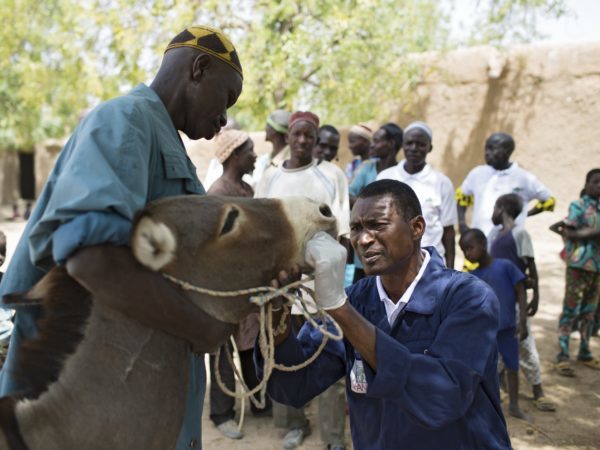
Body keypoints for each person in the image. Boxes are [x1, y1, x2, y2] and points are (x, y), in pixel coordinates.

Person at [0, 25, 244, 450]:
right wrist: (200, 329)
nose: (224, 120)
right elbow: (93, 258)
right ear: (199, 68)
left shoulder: (163, 140)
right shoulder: (126, 120)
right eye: (226, 100)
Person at [258, 180, 512, 449]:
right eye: (356, 228)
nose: (364, 239)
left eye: (377, 225)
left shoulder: (468, 297)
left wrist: (340, 309)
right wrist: (277, 311)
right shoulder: (356, 299)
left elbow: (441, 398)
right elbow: (294, 384)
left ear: (416, 228)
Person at [255, 111, 350, 450]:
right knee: (284, 355)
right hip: (283, 286)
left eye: (310, 135)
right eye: (298, 134)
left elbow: (344, 233)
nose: (303, 141)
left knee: (329, 354)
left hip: (322, 287)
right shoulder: (269, 178)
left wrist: (341, 281)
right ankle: (294, 425)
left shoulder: (331, 175)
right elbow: (261, 229)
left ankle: (333, 435)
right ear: (289, 136)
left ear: (315, 138)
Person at [206, 129, 270, 439]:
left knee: (250, 341)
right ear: (234, 156)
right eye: (250, 151)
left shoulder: (246, 190)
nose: (255, 156)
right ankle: (221, 413)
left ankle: (259, 400)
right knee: (221, 348)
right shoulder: (217, 194)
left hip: (248, 283)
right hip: (223, 286)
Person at [488, 193, 555, 412]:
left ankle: (538, 389)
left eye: (495, 207)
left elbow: (531, 269)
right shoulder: (493, 235)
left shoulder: (520, 234)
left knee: (524, 343)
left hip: (516, 299)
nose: (493, 213)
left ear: (502, 208)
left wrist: (535, 297)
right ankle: (502, 388)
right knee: (497, 345)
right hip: (497, 300)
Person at [459, 228, 529, 420]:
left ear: (483, 244)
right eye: (464, 250)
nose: (467, 253)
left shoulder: (505, 266)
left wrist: (522, 321)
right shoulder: (472, 276)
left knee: (512, 366)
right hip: (484, 333)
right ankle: (485, 406)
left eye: (470, 248)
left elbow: (520, 291)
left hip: (507, 328)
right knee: (482, 369)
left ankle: (514, 405)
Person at [377, 121, 457, 268]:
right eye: (409, 143)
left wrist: (451, 270)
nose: (414, 148)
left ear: (430, 148)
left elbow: (449, 231)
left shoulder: (442, 183)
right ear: (403, 145)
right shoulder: (385, 177)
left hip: (431, 264)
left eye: (420, 144)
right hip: (392, 261)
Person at [549, 168, 600, 376]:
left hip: (597, 268)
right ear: (587, 184)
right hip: (579, 266)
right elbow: (567, 231)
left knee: (589, 311)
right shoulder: (578, 206)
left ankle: (585, 351)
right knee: (571, 310)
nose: (599, 186)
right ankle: (562, 354)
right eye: (596, 182)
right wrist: (593, 233)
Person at [456, 132, 556, 236]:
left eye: (492, 149)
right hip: (479, 242)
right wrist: (462, 224)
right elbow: (461, 197)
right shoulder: (477, 173)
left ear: (507, 151)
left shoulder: (524, 178)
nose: (487, 153)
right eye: (486, 148)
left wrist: (527, 214)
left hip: (508, 241)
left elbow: (549, 200)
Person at [349, 122, 403, 282]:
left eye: (377, 140)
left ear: (391, 144)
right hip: (366, 236)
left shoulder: (400, 172)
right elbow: (348, 195)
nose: (372, 145)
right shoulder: (367, 168)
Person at [251, 109, 292, 186]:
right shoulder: (269, 157)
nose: (265, 128)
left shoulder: (288, 160)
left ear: (274, 130)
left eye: (267, 125)